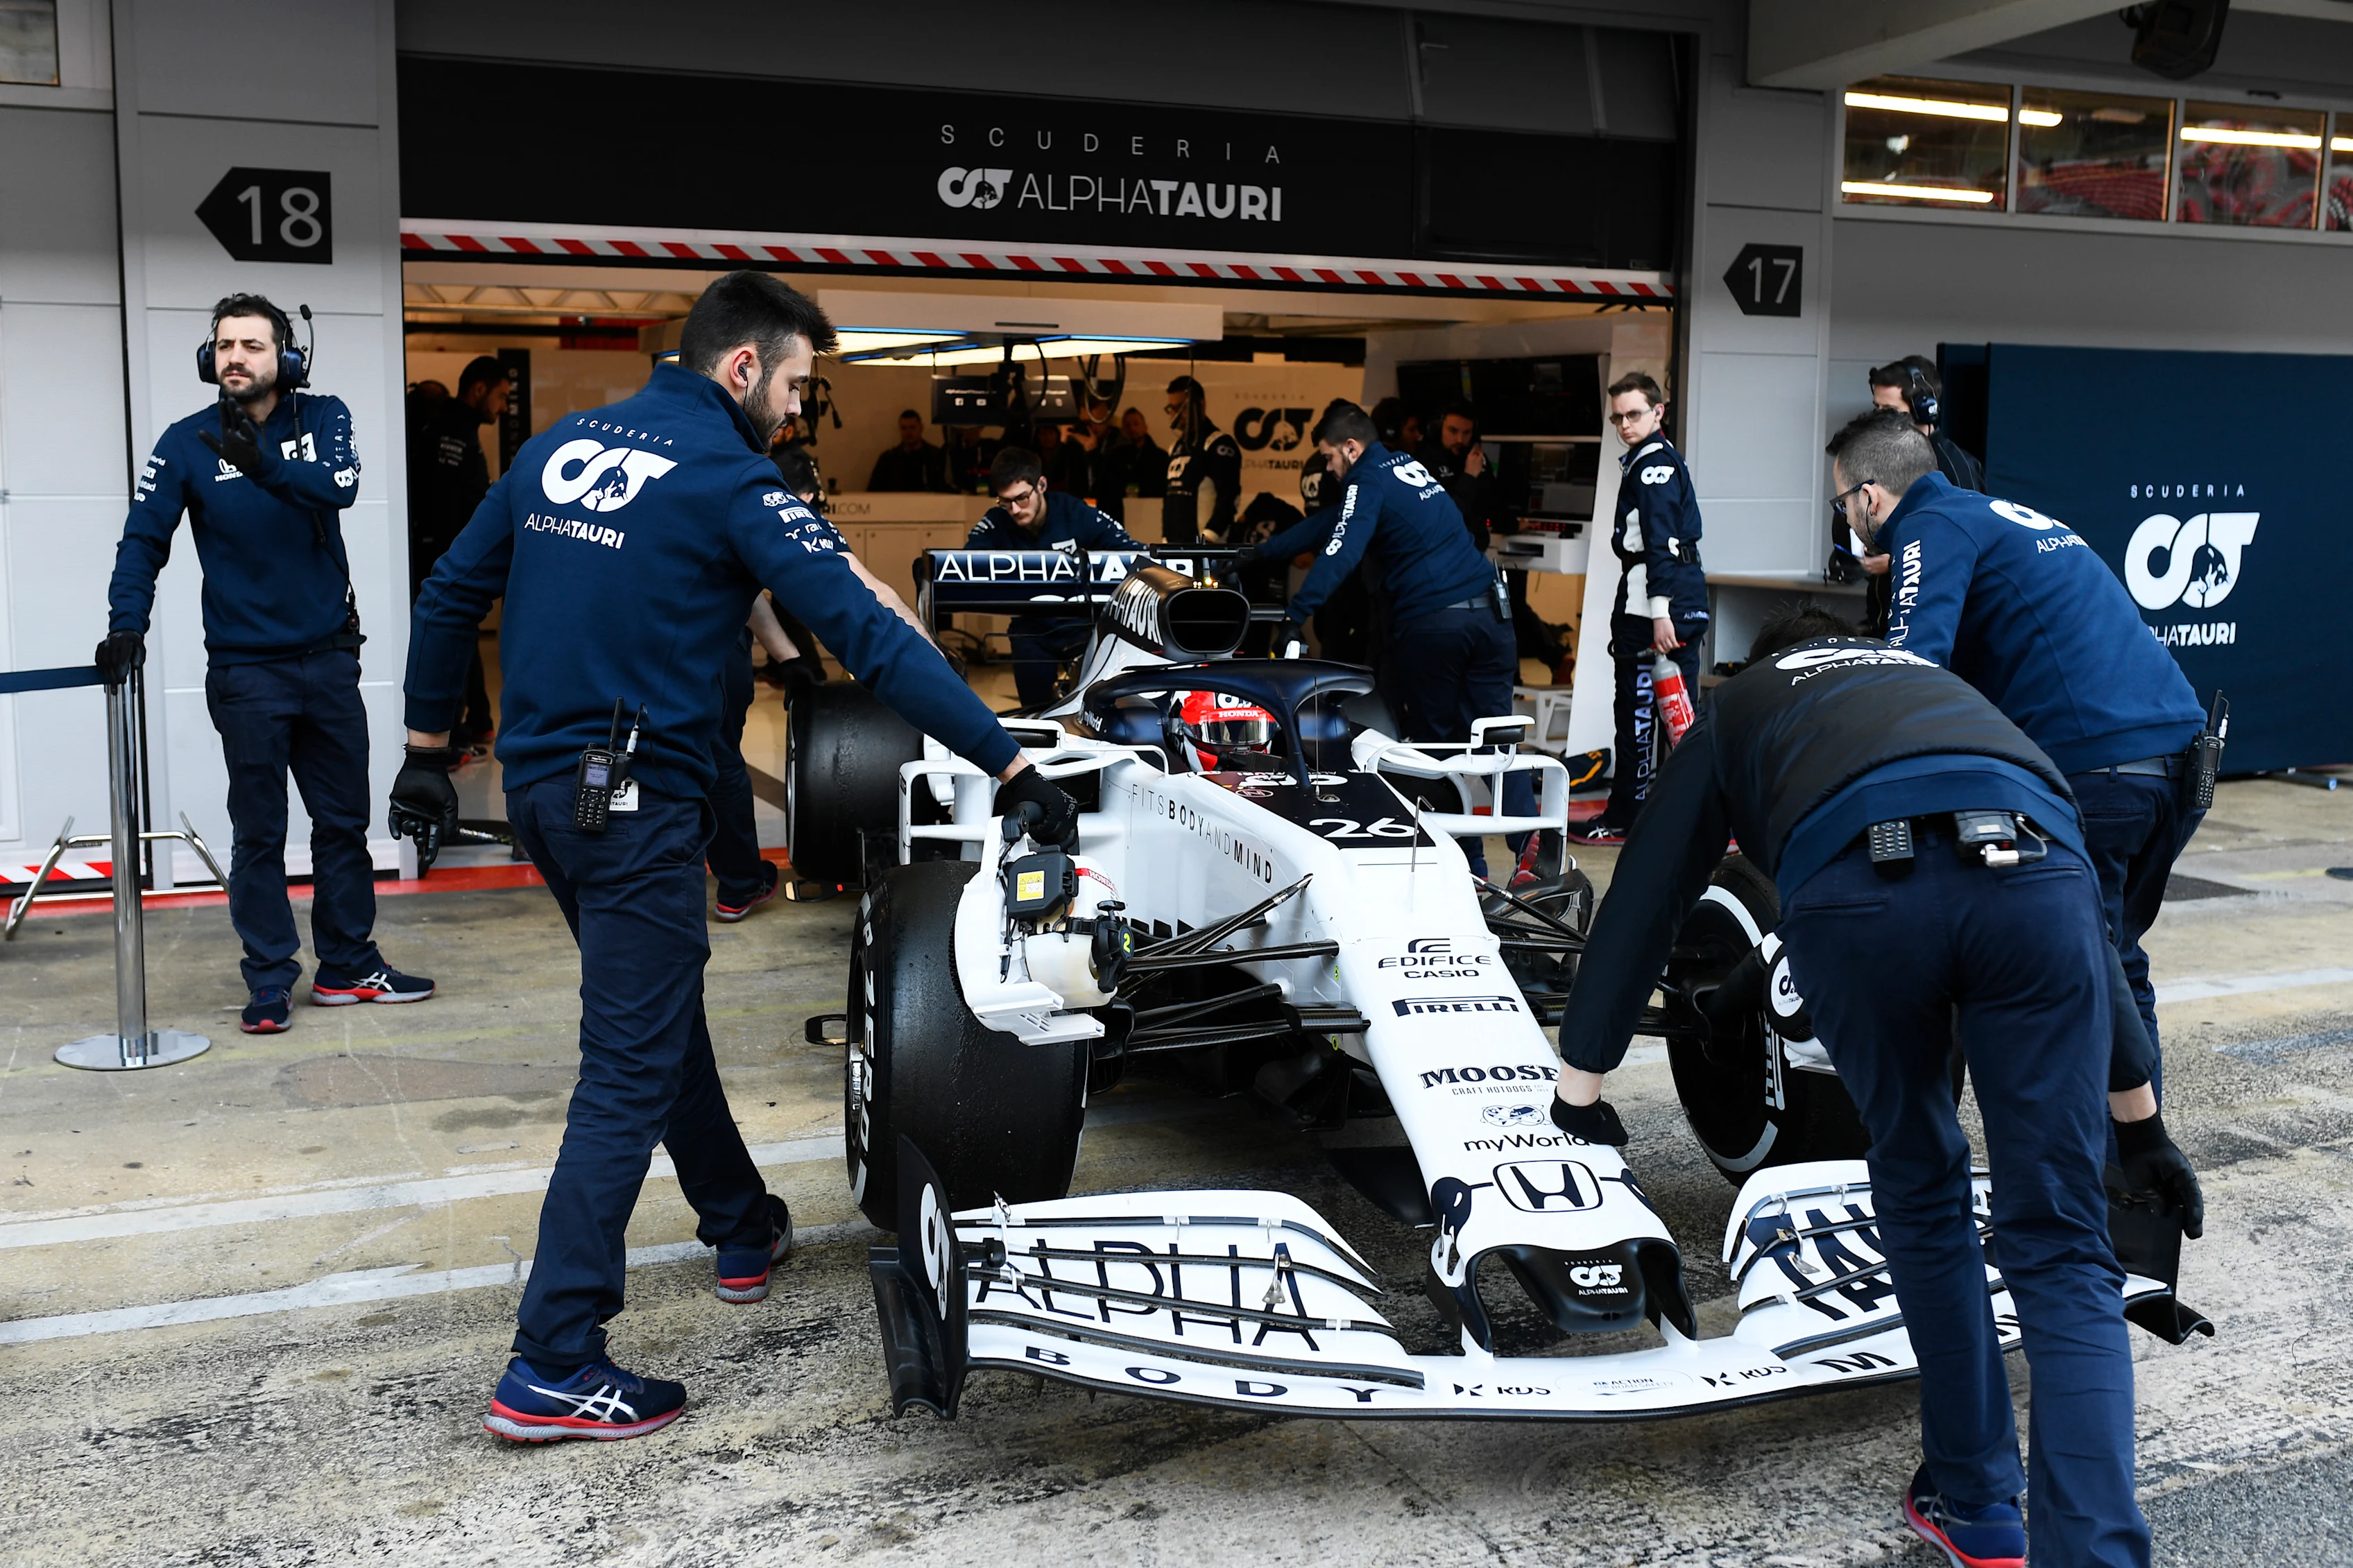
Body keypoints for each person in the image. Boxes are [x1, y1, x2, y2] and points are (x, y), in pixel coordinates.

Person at [391, 270, 1078, 1442]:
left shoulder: (559, 447)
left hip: (548, 800)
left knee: (652, 1022)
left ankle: (739, 1219)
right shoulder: (726, 474)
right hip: (642, 802)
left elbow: (452, 588)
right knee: (623, 1066)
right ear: (743, 369)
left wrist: (421, 750)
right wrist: (1005, 762)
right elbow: (864, 629)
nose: (802, 412)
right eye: (801, 385)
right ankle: (553, 1355)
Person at [1555, 603, 2202, 1568]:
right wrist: (2139, 1124)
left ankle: (1979, 1501)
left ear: (1774, 660)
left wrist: (1580, 1085)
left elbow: (1649, 891)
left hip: (1860, 890)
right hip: (2035, 874)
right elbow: (2096, 937)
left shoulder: (1744, 706)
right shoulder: (1949, 693)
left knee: (1922, 1181)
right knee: (2065, 1242)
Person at [1831, 408, 2209, 1103]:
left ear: (1868, 495)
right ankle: (2130, 1165)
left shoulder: (1929, 526)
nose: (1847, 519)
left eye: (1842, 502)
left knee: (2058, 976)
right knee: (2114, 968)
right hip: (2178, 761)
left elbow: (1914, 669)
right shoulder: (1987, 514)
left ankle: (2086, 1177)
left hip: (2098, 774)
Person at [101, 293, 434, 1036]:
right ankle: (269, 977)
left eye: (253, 344)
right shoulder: (184, 443)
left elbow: (339, 487)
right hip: (248, 672)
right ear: (208, 358)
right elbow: (142, 541)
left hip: (329, 660)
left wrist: (265, 466)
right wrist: (127, 624)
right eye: (225, 345)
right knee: (258, 833)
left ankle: (348, 965)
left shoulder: (325, 418)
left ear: (286, 357)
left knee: (344, 823)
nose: (236, 358)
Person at [1235, 402, 1543, 881]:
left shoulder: (1367, 478)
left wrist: (1296, 617)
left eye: (1331, 458)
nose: (1331, 469)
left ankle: (1468, 869)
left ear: (1351, 447)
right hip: (1491, 618)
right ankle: (1535, 856)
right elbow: (1331, 524)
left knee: (1437, 751)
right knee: (1495, 741)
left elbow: (1341, 548)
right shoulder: (1403, 466)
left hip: (1437, 626)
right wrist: (1260, 554)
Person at [1586, 372, 1708, 846]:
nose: (1624, 424)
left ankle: (1628, 819)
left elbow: (1660, 543)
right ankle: (1690, 820)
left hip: (1655, 607)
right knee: (1681, 720)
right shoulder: (1656, 460)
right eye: (1618, 416)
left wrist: (1660, 613)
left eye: (1634, 414)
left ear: (1658, 412)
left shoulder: (1653, 465)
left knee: (1639, 716)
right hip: (1677, 598)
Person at [966, 446, 1140, 708]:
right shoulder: (996, 519)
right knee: (1033, 710)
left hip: (1083, 624)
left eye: (1022, 498)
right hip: (1031, 628)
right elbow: (967, 561)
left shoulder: (1075, 511)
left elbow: (1128, 550)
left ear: (1042, 485)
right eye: (1005, 501)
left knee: (1095, 707)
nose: (1014, 509)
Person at [412, 355, 510, 748]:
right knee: (455, 636)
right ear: (480, 390)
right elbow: (445, 502)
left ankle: (479, 721)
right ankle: (452, 735)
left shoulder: (461, 429)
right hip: (448, 555)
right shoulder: (450, 431)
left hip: (457, 553)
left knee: (465, 637)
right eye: (501, 397)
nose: (504, 408)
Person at [1856, 357, 1983, 635]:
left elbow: (1963, 546)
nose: (1879, 420)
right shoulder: (1891, 462)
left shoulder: (1954, 467)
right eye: (1876, 408)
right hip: (1885, 623)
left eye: (1889, 410)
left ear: (1925, 411)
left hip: (1929, 629)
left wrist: (1893, 561)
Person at [1161, 375, 1240, 545]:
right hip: (1176, 548)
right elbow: (1169, 499)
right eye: (1171, 409)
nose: (1175, 415)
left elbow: (1229, 497)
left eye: (1181, 408)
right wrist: (1166, 537)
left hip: (1206, 549)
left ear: (1200, 404)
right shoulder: (1175, 447)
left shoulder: (1218, 443)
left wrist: (1210, 537)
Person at [1414, 401, 1500, 552]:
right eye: (1453, 431)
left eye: (1466, 433)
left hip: (1474, 553)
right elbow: (1444, 514)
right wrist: (1469, 476)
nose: (1460, 439)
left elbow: (1494, 500)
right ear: (1439, 429)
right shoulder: (1424, 461)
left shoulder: (1475, 458)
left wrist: (1513, 524)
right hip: (1441, 553)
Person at [867, 409, 952, 492]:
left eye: (912, 427)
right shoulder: (888, 460)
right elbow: (873, 493)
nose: (908, 432)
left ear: (921, 428)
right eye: (904, 428)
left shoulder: (937, 457)